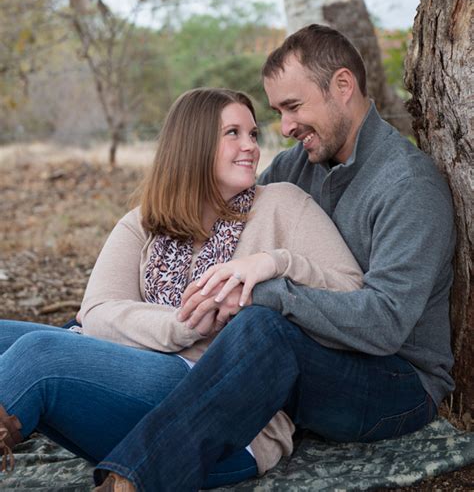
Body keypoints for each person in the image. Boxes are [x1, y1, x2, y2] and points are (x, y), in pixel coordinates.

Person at [87, 24, 456, 492]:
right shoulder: (294, 166)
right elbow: (230, 211)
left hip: (396, 383)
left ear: (343, 87)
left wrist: (270, 287)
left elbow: (385, 324)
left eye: (293, 107)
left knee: (263, 323)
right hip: (306, 358)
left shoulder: (408, 186)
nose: (283, 128)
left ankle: (130, 482)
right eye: (279, 111)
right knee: (49, 335)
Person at [0, 86, 363, 488]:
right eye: (233, 133)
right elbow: (97, 312)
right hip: (133, 389)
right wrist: (183, 324)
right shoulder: (144, 224)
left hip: (223, 415)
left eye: (254, 134)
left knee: (38, 354)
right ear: (193, 143)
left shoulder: (282, 205)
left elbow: (352, 292)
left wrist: (275, 264)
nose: (251, 148)